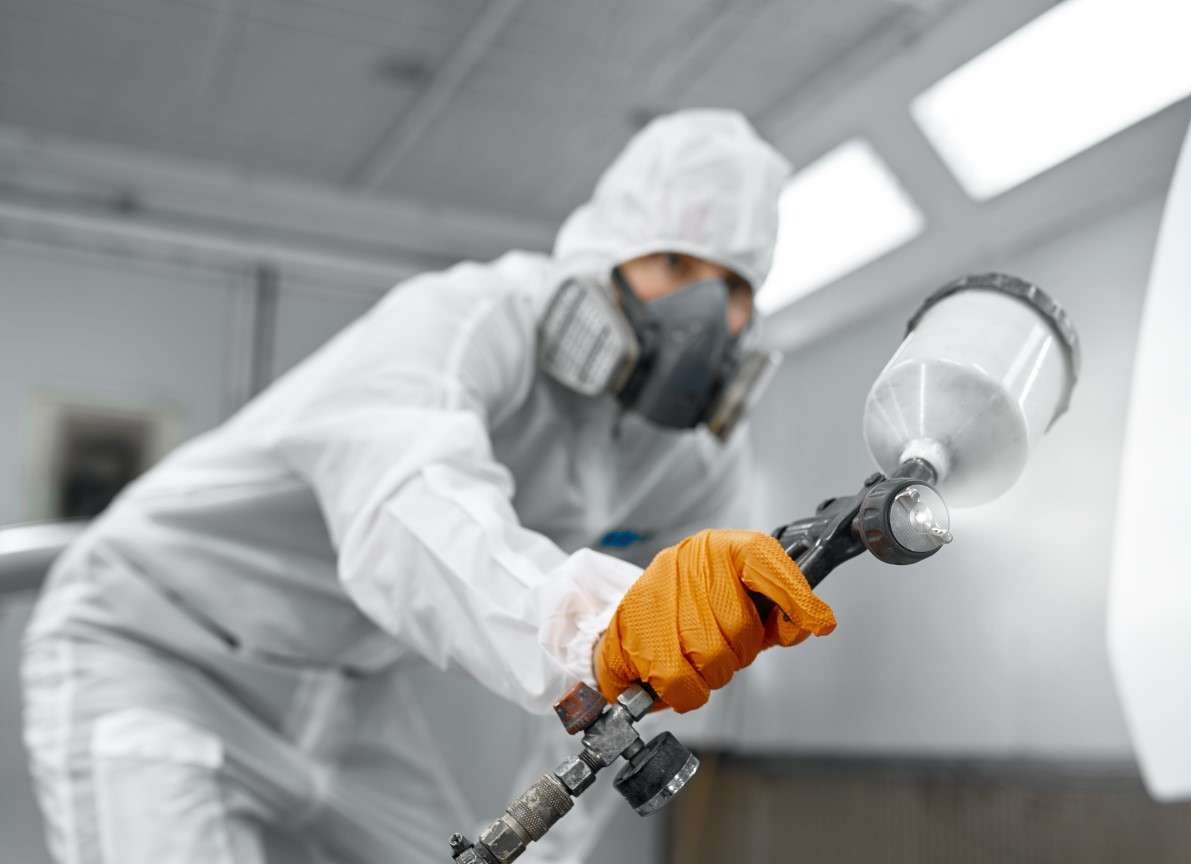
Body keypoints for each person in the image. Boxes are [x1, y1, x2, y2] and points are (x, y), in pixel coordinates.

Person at [21, 110, 837, 864]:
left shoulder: (695, 454)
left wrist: (551, 847)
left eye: (733, 287)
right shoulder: (469, 317)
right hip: (157, 650)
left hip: (346, 698)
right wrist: (601, 623)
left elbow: (644, 686)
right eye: (674, 264)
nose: (705, 313)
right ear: (601, 260)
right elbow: (409, 504)